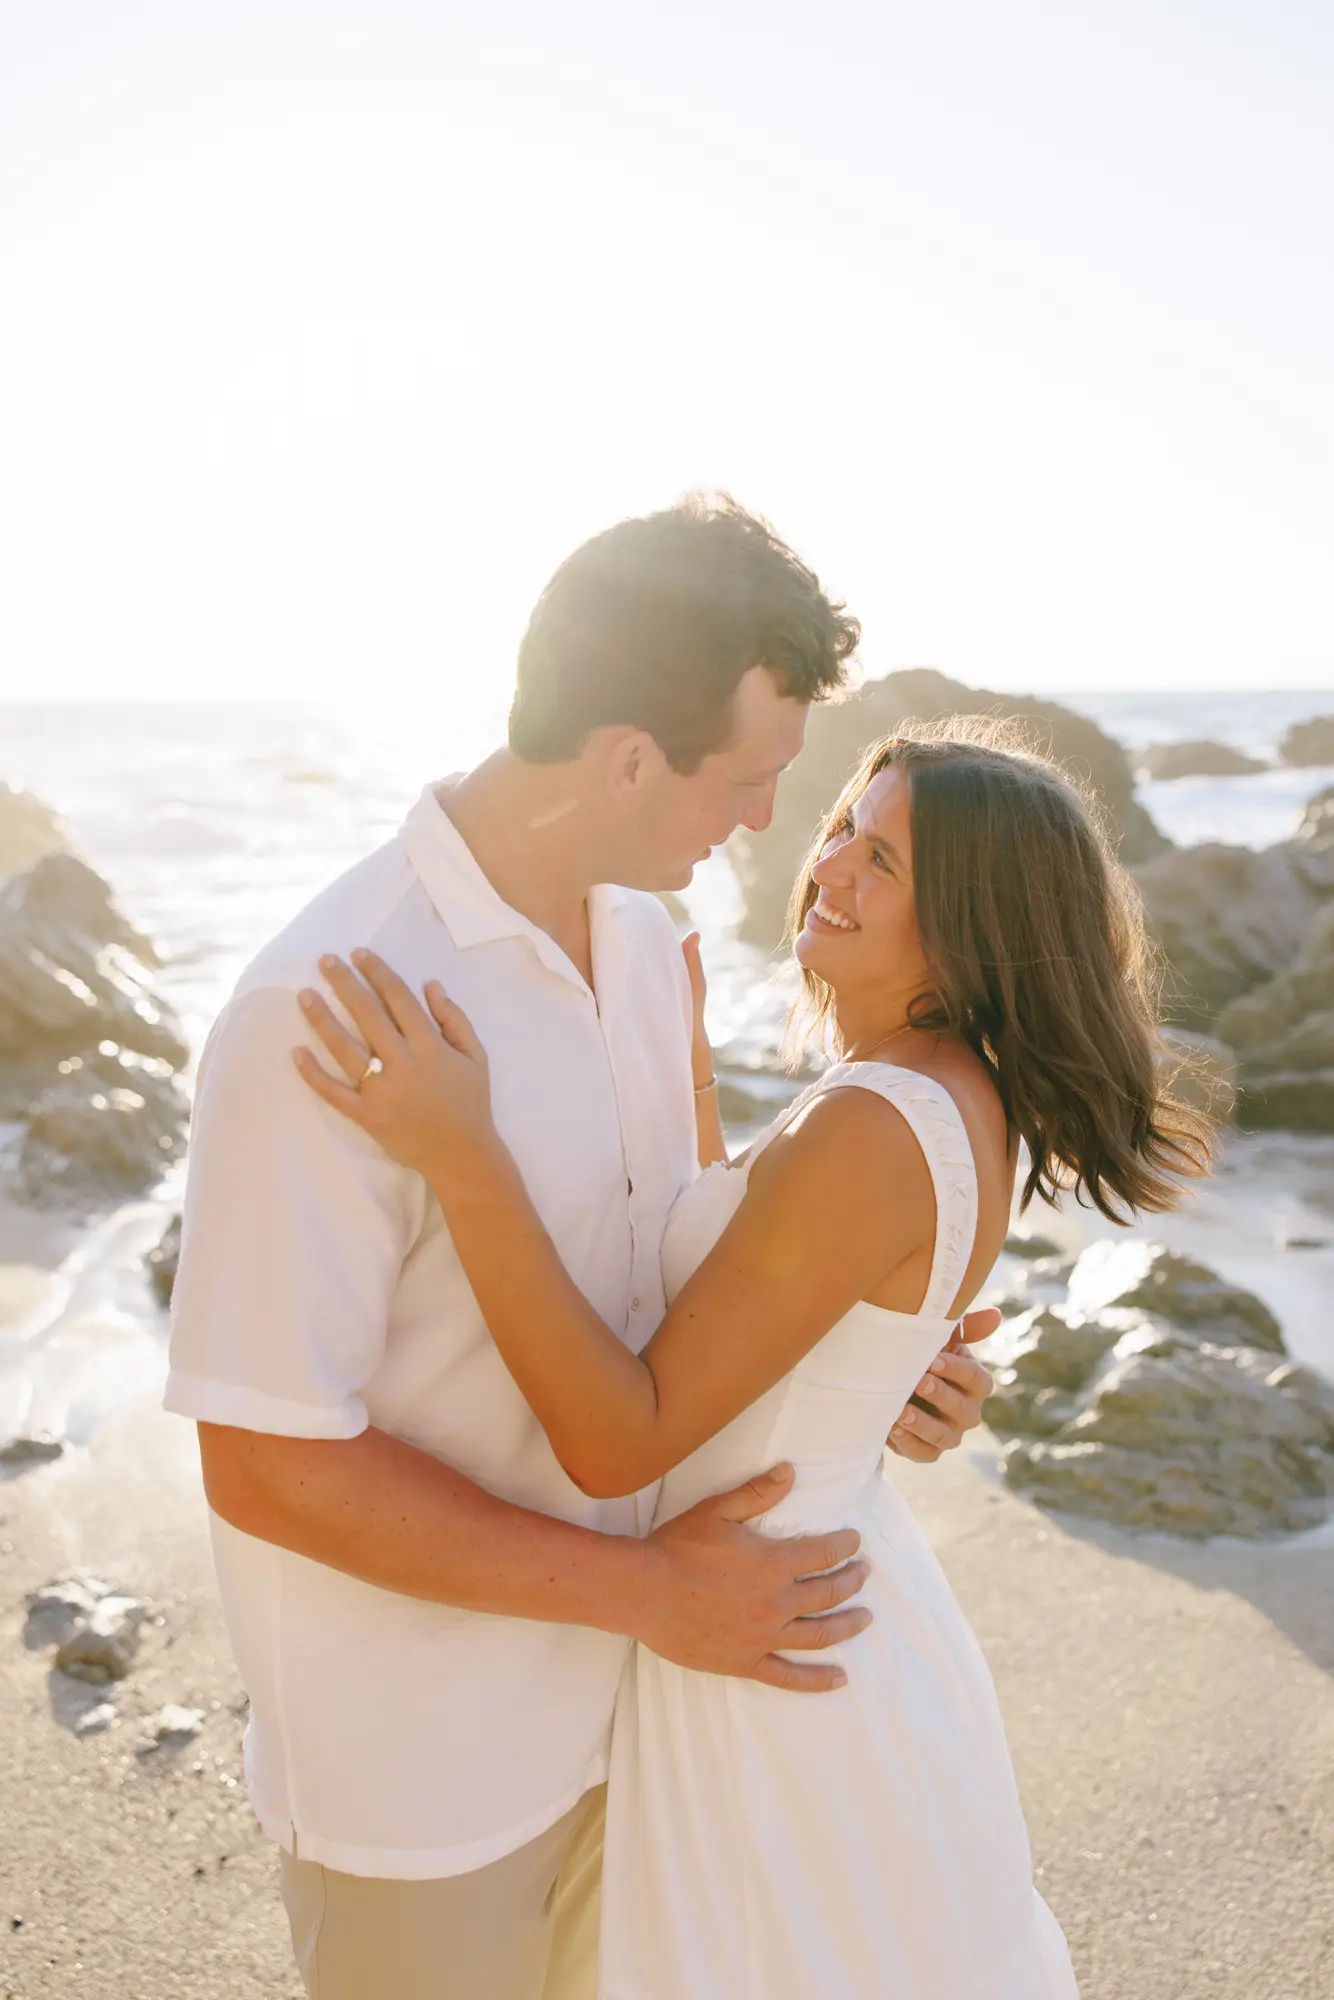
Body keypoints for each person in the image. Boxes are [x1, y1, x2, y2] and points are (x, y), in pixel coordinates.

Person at [163, 496, 999, 2000]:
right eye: (747, 778)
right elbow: (268, 1463)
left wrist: (854, 1362)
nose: (767, 823)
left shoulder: (645, 947)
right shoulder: (333, 1007)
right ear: (627, 759)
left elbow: (660, 1277)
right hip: (433, 1778)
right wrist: (643, 1592)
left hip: (657, 1729)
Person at [294, 720, 1215, 1998]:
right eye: (843, 828)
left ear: (972, 922)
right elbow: (756, 1283)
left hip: (767, 1646)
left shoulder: (876, 1119)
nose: (826, 866)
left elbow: (618, 1436)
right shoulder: (937, 1087)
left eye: (883, 861)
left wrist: (465, 1156)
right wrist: (684, 1067)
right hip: (806, 1605)